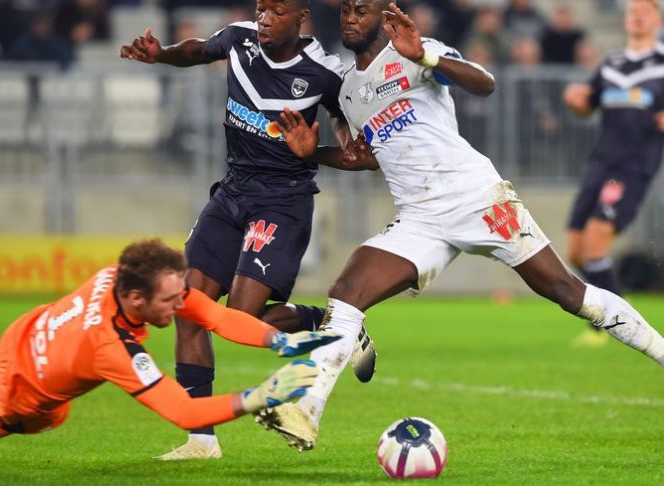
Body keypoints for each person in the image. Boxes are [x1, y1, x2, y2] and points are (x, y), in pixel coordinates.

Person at [253, 1, 664, 452]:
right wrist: (312, 153)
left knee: (568, 293)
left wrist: (424, 55)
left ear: (384, 16)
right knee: (347, 292)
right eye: (346, 9)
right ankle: (305, 411)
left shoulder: (415, 50)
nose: (350, 17)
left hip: (477, 198)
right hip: (419, 217)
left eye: (362, 9)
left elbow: (484, 83)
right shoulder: (349, 90)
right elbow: (365, 158)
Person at [119, 0, 378, 459]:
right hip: (233, 190)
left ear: (300, 18)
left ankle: (328, 322)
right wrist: (161, 55)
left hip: (282, 200)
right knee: (188, 305)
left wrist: (330, 146)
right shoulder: (239, 38)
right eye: (260, 9)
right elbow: (198, 50)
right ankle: (201, 440)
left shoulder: (324, 71)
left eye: (275, 12)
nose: (263, 20)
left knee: (241, 319)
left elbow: (349, 131)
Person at [0, 239, 342, 450]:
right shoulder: (113, 350)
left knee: (43, 357)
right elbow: (183, 412)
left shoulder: (122, 276)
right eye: (171, 300)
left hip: (32, 330)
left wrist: (277, 339)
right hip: (25, 387)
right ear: (138, 300)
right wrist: (258, 396)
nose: (181, 305)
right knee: (18, 420)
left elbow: (214, 316)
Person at [563, 0, 664, 347]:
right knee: (576, 251)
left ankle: (605, 328)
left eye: (643, 12)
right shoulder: (611, 65)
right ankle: (619, 301)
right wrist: (576, 102)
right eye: (632, 12)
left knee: (595, 241)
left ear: (656, 20)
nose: (636, 17)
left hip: (632, 168)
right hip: (600, 164)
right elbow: (586, 106)